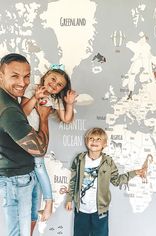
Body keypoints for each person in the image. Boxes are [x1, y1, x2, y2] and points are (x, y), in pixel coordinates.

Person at [20, 64, 77, 232]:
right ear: (45, 76)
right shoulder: (31, 88)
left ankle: (49, 202)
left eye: (59, 84)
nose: (54, 84)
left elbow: (66, 119)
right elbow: (22, 113)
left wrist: (69, 103)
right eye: (53, 79)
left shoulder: (55, 100)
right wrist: (35, 98)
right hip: (24, 135)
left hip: (39, 139)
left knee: (39, 166)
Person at [0, 53, 51, 236]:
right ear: (1, 75)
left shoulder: (8, 98)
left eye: (27, 76)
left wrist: (35, 99)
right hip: (16, 181)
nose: (23, 82)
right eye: (15, 76)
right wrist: (44, 118)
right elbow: (40, 149)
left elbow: (18, 116)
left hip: (23, 175)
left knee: (28, 227)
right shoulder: (8, 111)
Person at [65, 127, 147, 236]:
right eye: (91, 138)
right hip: (81, 210)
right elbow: (73, 180)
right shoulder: (79, 159)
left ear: (104, 144)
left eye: (98, 139)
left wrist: (135, 173)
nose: (94, 141)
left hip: (100, 210)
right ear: (86, 141)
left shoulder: (108, 162)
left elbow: (116, 180)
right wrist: (69, 199)